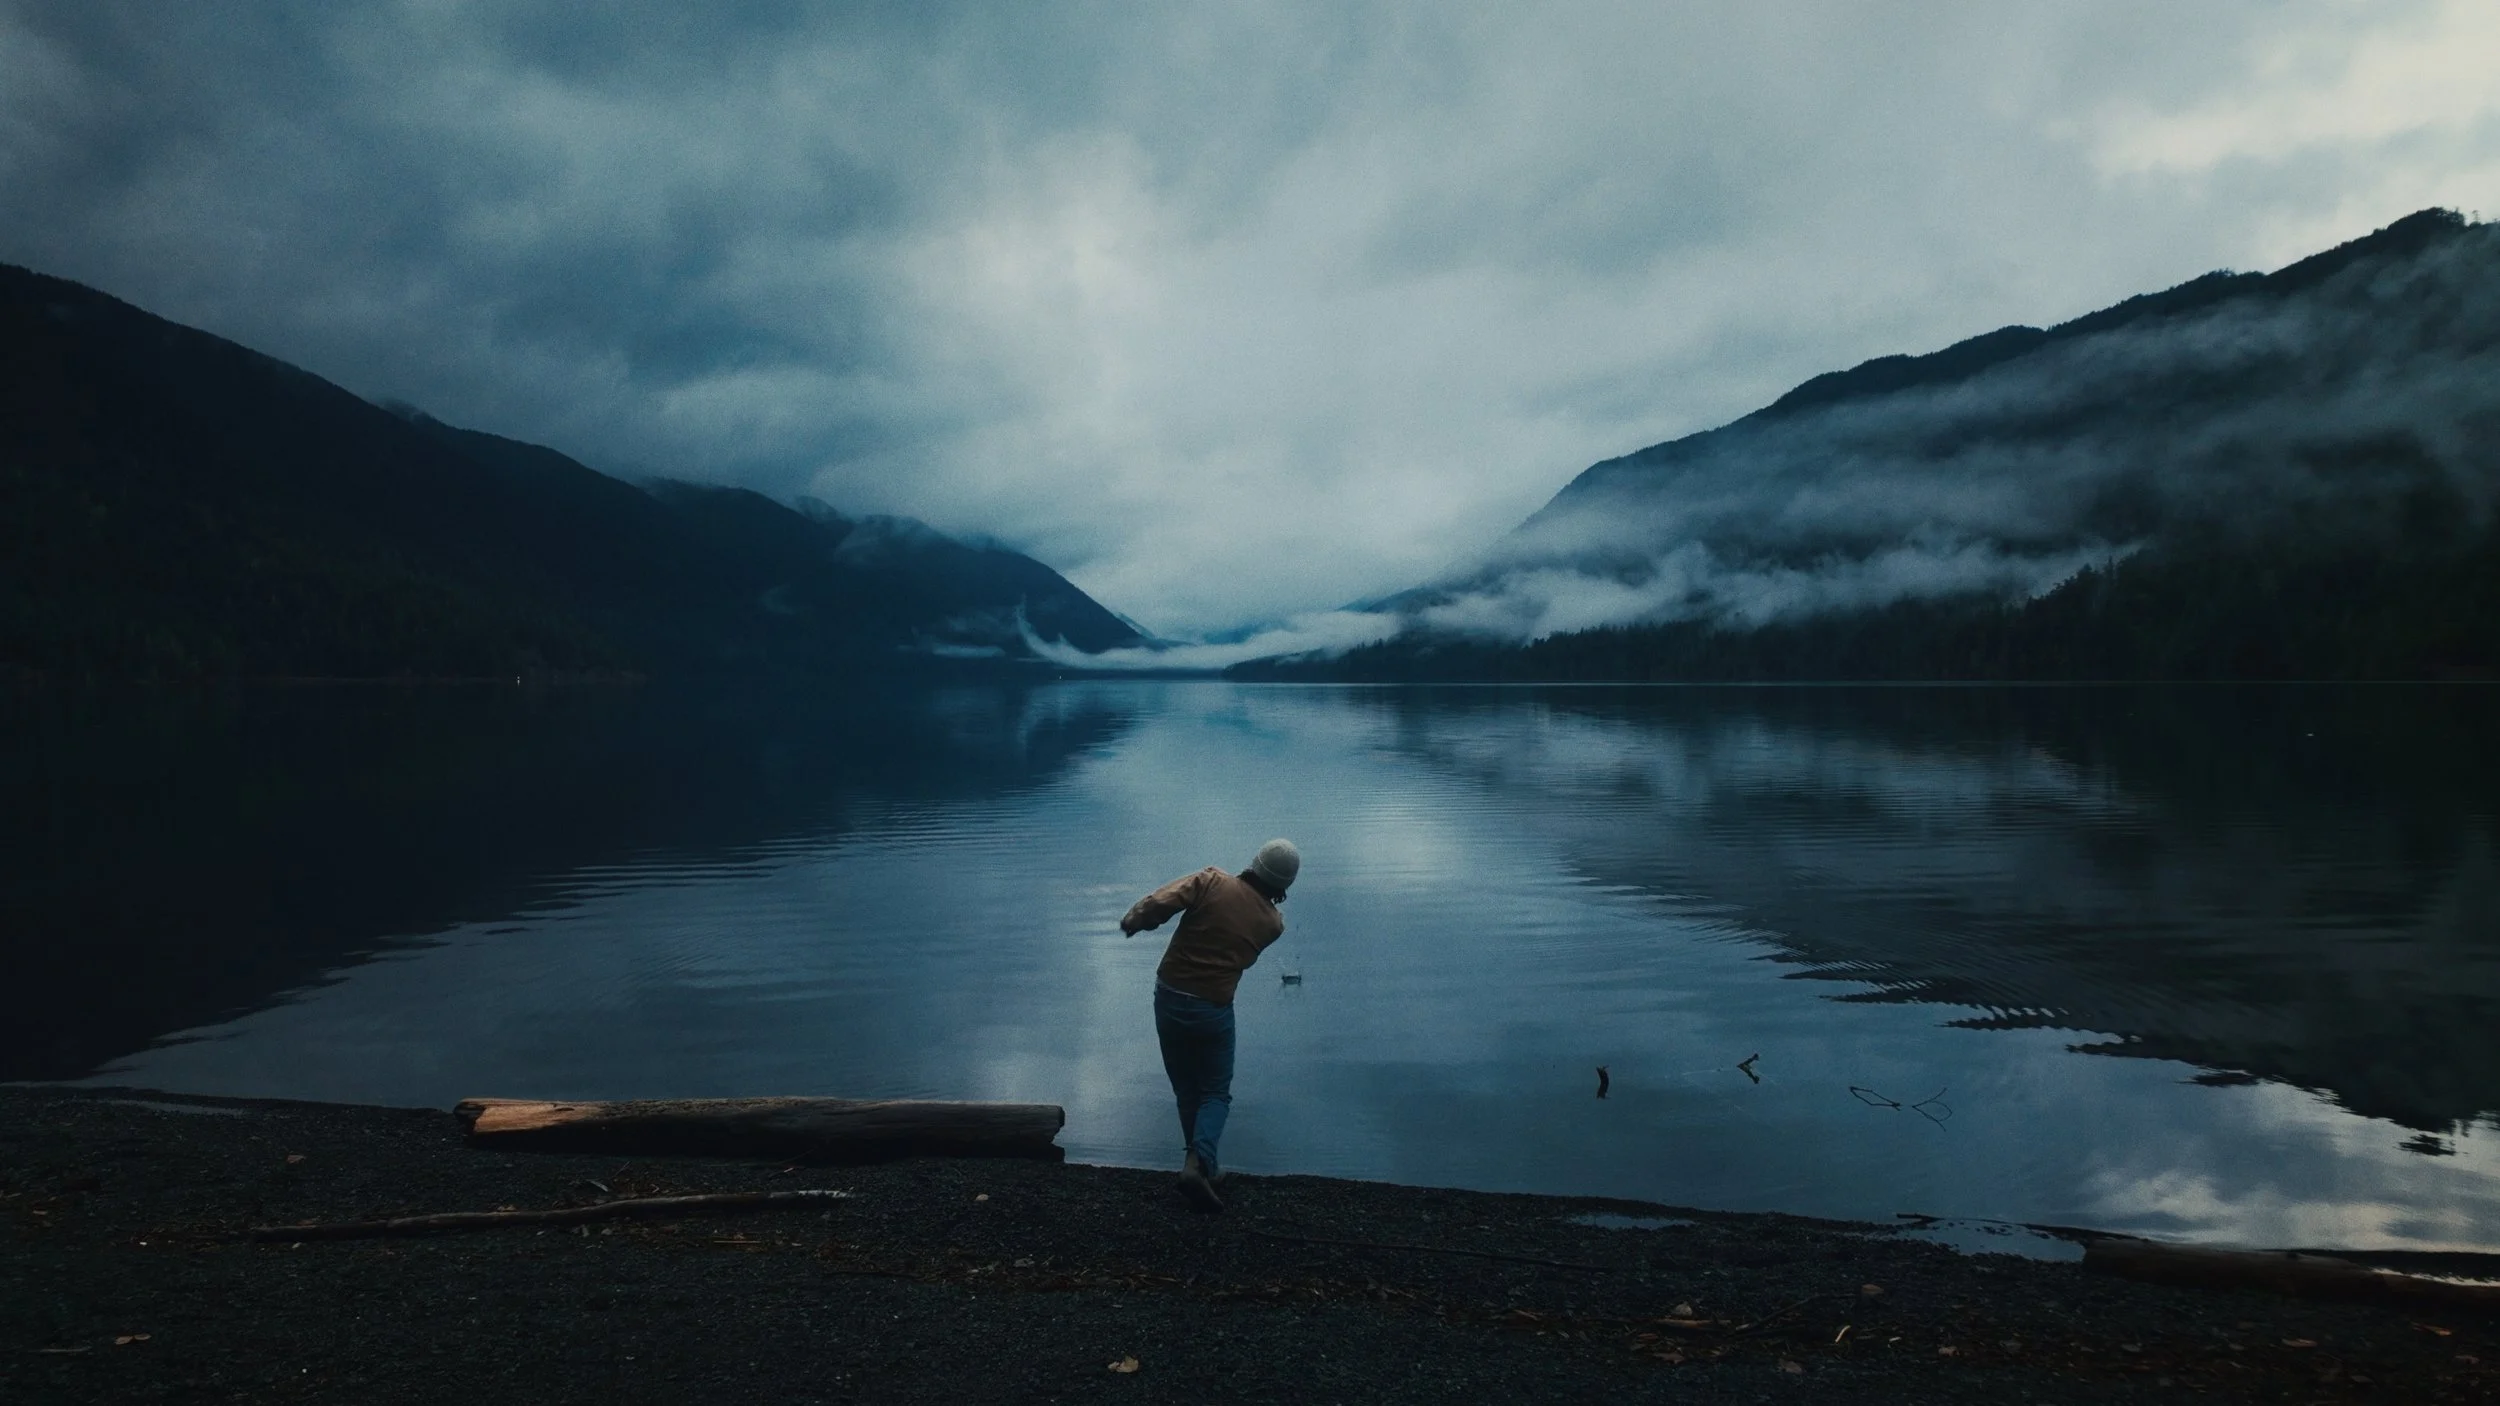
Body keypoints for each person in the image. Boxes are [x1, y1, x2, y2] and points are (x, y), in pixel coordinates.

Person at [1120, 838, 1300, 1212]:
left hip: (1170, 995)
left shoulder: (1212, 882)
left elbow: (1159, 904)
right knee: (1214, 1094)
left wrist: (1136, 920)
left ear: (1254, 864)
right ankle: (1200, 1165)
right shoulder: (1272, 925)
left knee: (1187, 1090)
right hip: (1212, 1009)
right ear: (1284, 886)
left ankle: (1199, 1164)